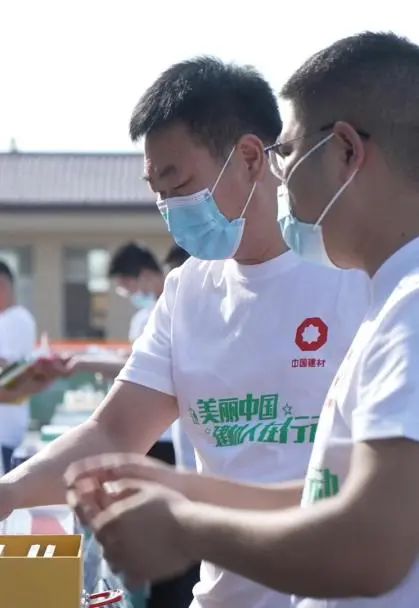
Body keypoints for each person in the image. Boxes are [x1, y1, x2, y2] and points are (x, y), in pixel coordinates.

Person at [1, 57, 370, 608]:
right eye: (157, 192)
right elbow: (114, 432)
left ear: (250, 157)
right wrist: (8, 493)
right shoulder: (188, 291)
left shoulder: (356, 273)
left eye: (179, 184)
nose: (170, 210)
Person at [68, 32, 419, 608]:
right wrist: (181, 488)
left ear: (346, 153)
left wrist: (186, 529)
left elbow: (371, 545)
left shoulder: (409, 308)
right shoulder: (394, 301)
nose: (284, 175)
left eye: (291, 151)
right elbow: (327, 498)